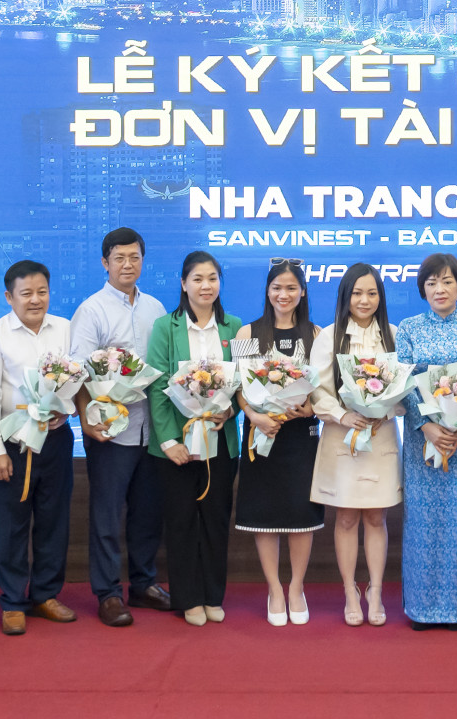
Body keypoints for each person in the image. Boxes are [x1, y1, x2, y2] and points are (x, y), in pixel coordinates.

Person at [68, 227, 172, 627]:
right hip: (109, 431)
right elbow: (76, 373)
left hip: (152, 430)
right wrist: (84, 421)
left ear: (143, 260)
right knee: (107, 516)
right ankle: (108, 593)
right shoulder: (91, 310)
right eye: (119, 258)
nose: (128, 265)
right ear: (104, 263)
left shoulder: (156, 308)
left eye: (135, 257)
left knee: (147, 514)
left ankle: (144, 584)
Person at [0, 260, 78, 636]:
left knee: (54, 521)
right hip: (14, 441)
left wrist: (65, 412)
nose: (36, 300)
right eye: (26, 293)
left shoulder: (67, 329)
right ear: (9, 296)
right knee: (12, 526)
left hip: (55, 439)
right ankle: (12, 602)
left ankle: (46, 595)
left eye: (42, 292)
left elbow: (78, 382)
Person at [396, 253, 457, 630]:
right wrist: (427, 426)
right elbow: (403, 383)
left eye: (447, 281)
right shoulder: (407, 328)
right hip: (422, 441)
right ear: (423, 288)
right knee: (423, 521)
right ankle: (422, 609)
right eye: (432, 282)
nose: (440, 289)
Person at [145, 252, 243, 626]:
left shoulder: (235, 327)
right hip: (178, 446)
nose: (206, 286)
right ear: (184, 283)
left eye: (213, 278)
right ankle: (188, 598)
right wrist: (170, 441)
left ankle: (212, 595)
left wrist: (229, 410)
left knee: (216, 520)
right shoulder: (164, 328)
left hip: (220, 441)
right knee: (182, 521)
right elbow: (155, 386)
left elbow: (244, 385)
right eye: (198, 279)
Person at [309, 263, 401, 627]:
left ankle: (375, 590)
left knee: (376, 516)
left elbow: (403, 389)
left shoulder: (393, 335)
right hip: (341, 436)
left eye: (372, 293)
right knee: (346, 516)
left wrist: (387, 409)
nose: (365, 300)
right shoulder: (328, 337)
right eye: (357, 293)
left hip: (380, 436)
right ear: (345, 297)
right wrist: (341, 415)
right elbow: (315, 388)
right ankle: (350, 590)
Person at [234, 259, 324, 626]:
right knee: (265, 515)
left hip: (300, 437)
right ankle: (274, 588)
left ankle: (297, 587)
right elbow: (239, 387)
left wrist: (310, 408)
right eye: (276, 288)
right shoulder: (247, 333)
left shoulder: (316, 334)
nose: (283, 294)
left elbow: (323, 388)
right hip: (260, 433)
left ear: (302, 291)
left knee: (300, 514)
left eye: (291, 288)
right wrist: (254, 416)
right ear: (267, 291)